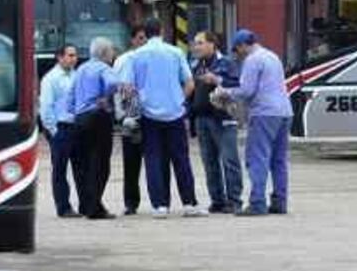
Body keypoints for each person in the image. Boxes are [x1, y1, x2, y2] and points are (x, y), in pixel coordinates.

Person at [121, 17, 206, 218]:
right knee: (181, 159)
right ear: (162, 31)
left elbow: (127, 87)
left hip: (149, 115)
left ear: (146, 33)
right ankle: (189, 203)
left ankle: (160, 205)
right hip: (175, 114)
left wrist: (135, 109)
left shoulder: (136, 56)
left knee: (153, 159)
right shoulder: (176, 52)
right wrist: (178, 101)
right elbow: (190, 83)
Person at [218, 29, 293, 216]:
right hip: (284, 111)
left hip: (264, 113)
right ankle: (280, 201)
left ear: (243, 45)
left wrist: (225, 93)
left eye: (237, 50)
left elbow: (247, 91)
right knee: (279, 160)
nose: (237, 55)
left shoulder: (252, 60)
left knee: (257, 158)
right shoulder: (272, 56)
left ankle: (257, 202)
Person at [67, 36, 120, 220]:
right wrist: (105, 97)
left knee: (84, 164)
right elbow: (113, 83)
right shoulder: (104, 68)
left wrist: (74, 111)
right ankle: (94, 207)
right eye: (112, 51)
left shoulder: (81, 69)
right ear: (105, 53)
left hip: (80, 119)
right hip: (98, 116)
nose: (113, 54)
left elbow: (70, 96)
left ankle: (87, 204)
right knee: (101, 164)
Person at [190, 31, 243, 214]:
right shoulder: (196, 65)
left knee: (229, 160)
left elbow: (238, 85)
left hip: (223, 118)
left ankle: (234, 200)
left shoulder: (226, 63)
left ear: (213, 44)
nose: (196, 47)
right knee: (209, 161)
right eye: (195, 43)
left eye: (200, 43)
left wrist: (217, 80)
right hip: (203, 119)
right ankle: (217, 200)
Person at [38, 44, 82, 218]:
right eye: (70, 55)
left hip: (76, 127)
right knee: (60, 169)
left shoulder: (77, 76)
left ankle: (86, 204)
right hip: (60, 128)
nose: (74, 58)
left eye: (75, 55)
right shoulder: (51, 78)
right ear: (60, 57)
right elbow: (46, 107)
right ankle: (63, 207)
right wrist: (54, 130)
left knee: (81, 168)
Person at [113, 25, 148, 215]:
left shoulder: (151, 59)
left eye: (146, 38)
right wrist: (122, 117)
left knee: (154, 160)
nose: (143, 42)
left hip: (150, 116)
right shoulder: (122, 61)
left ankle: (160, 200)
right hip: (129, 118)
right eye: (140, 38)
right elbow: (117, 91)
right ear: (133, 40)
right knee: (131, 162)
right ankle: (131, 203)